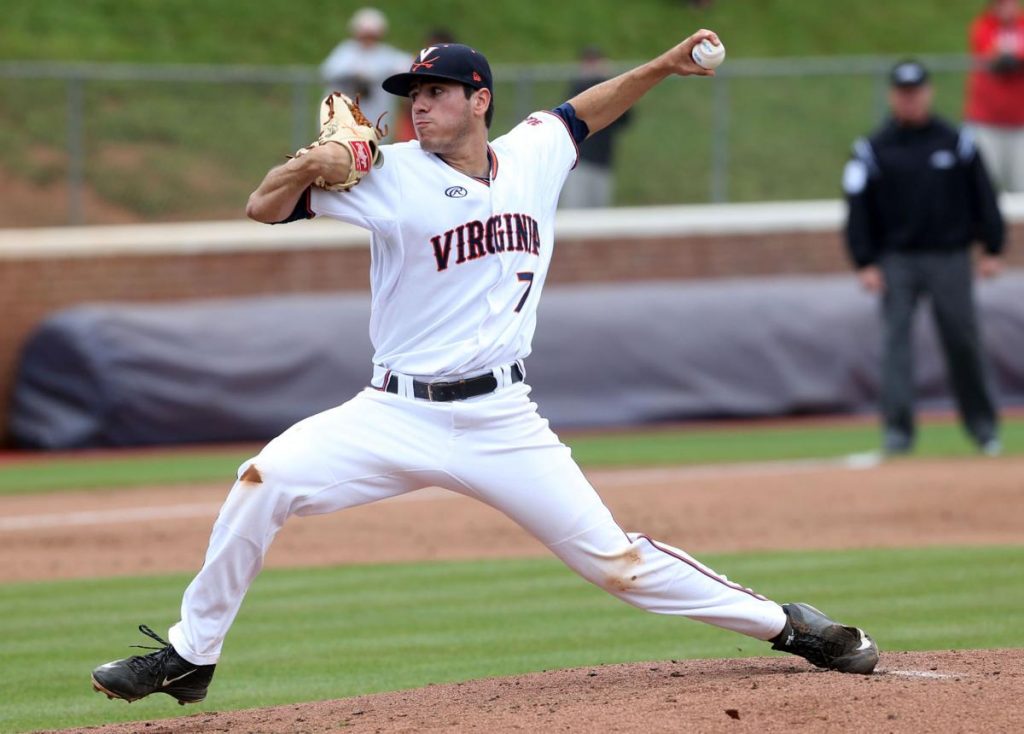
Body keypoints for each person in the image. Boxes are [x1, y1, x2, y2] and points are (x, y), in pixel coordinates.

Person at [90, 32, 879, 707]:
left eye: (434, 91)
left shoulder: (534, 154)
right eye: (412, 94)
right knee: (262, 480)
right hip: (391, 413)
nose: (418, 105)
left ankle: (789, 626)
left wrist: (666, 65)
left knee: (619, 565)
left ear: (479, 101)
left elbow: (586, 112)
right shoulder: (385, 172)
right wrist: (309, 162)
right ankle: (192, 656)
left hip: (503, 420)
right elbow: (262, 209)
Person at [844, 59, 1005, 456]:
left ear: (928, 93)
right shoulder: (873, 149)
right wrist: (864, 261)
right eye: (903, 93)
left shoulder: (956, 141)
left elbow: (983, 195)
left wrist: (992, 246)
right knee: (895, 344)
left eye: (916, 92)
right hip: (897, 259)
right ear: (892, 96)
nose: (910, 100)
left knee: (963, 340)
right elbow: (857, 208)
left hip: (949, 255)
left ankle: (984, 429)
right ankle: (898, 432)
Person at [319, 7, 411, 139]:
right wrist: (354, 75)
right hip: (343, 120)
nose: (368, 39)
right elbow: (328, 72)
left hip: (375, 118)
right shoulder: (346, 51)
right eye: (365, 34)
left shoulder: (385, 54)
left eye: (372, 35)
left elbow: (407, 65)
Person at [559, 46, 632, 209]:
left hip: (603, 163)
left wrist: (611, 80)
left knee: (598, 219)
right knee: (575, 215)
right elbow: (571, 112)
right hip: (578, 164)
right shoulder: (577, 88)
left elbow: (625, 118)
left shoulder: (610, 93)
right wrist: (595, 80)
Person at [965, 0, 1024, 192]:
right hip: (987, 124)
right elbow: (996, 61)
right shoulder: (983, 26)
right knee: (984, 187)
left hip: (1020, 123)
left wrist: (1013, 58)